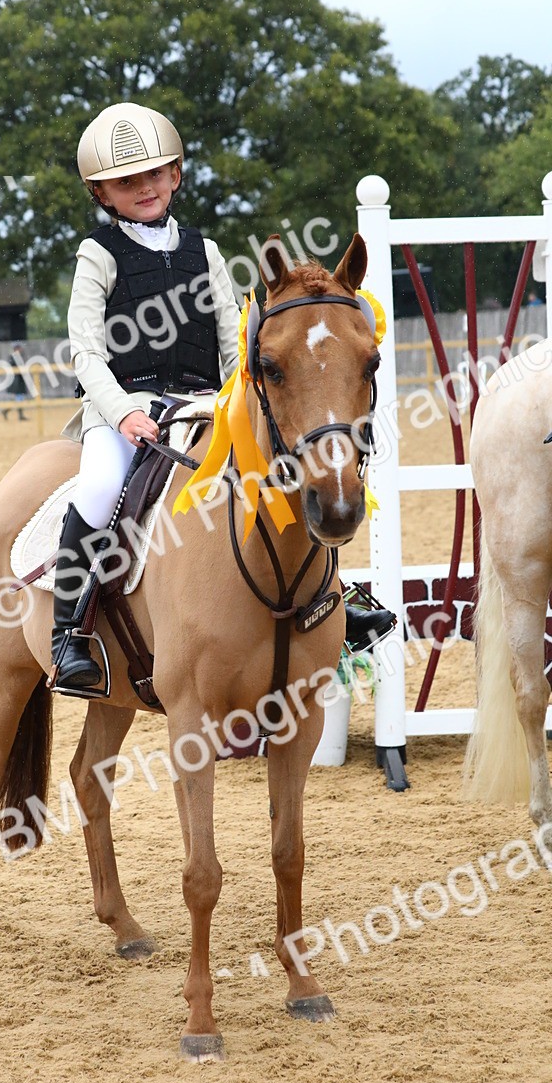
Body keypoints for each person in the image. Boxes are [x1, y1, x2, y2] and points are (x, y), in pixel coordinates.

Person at [54, 101, 391, 691]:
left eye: (154, 174)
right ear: (101, 193)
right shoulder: (98, 254)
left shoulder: (204, 251)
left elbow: (236, 346)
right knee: (102, 487)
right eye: (126, 182)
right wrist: (122, 412)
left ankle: (333, 598)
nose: (144, 188)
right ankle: (71, 632)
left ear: (175, 174)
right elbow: (84, 351)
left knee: (289, 468)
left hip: (202, 403)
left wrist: (245, 397)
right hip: (123, 409)